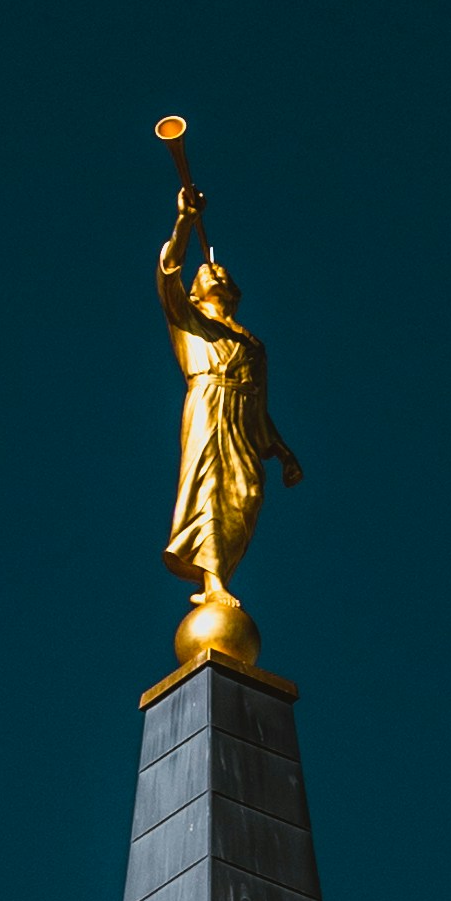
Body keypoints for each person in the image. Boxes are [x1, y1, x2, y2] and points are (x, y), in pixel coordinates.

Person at [156, 156, 301, 650]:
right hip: (208, 404)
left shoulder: (253, 345)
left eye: (218, 269)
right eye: (205, 270)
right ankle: (212, 582)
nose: (210, 269)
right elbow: (167, 272)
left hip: (240, 416)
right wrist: (184, 222)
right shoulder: (190, 321)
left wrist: (281, 451)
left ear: (232, 292)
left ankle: (219, 576)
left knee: (247, 496)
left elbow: (260, 408)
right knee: (211, 487)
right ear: (197, 294)